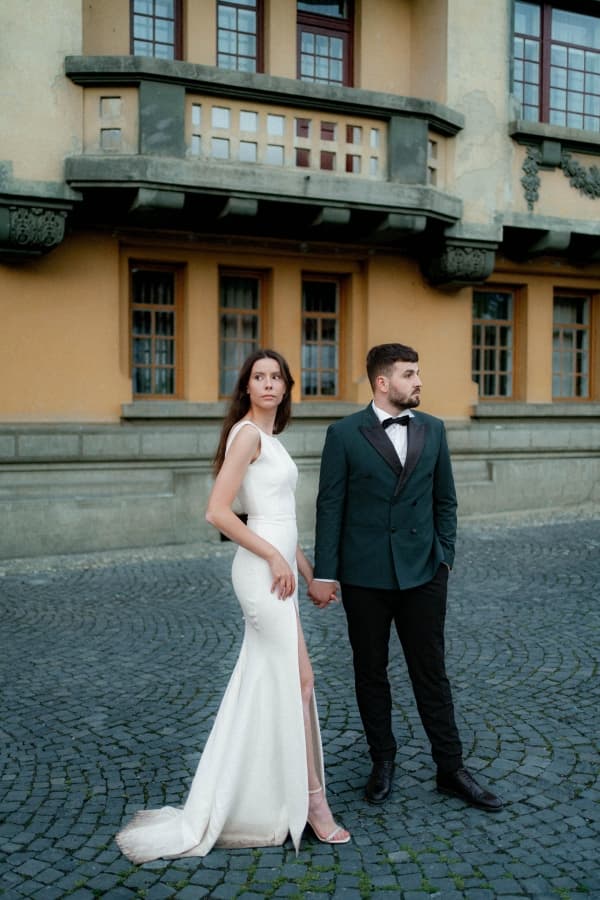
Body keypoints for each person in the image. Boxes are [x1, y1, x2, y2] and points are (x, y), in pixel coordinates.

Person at [116, 349, 349, 863]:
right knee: (299, 679)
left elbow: (282, 520)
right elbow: (217, 512)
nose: (268, 384)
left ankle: (274, 791)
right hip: (259, 573)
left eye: (276, 377)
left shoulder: (272, 440)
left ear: (287, 387)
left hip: (281, 569)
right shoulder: (245, 435)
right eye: (258, 377)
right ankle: (312, 803)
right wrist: (272, 558)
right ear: (247, 387)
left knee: (279, 679)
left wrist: (314, 575)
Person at [308, 343, 502, 812]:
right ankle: (383, 761)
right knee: (370, 672)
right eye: (409, 374)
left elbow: (446, 501)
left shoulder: (433, 430)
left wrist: (445, 558)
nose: (418, 381)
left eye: (417, 372)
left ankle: (451, 768)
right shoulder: (344, 433)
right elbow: (330, 506)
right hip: (365, 576)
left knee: (430, 671)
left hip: (423, 572)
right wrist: (327, 574)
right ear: (382, 382)